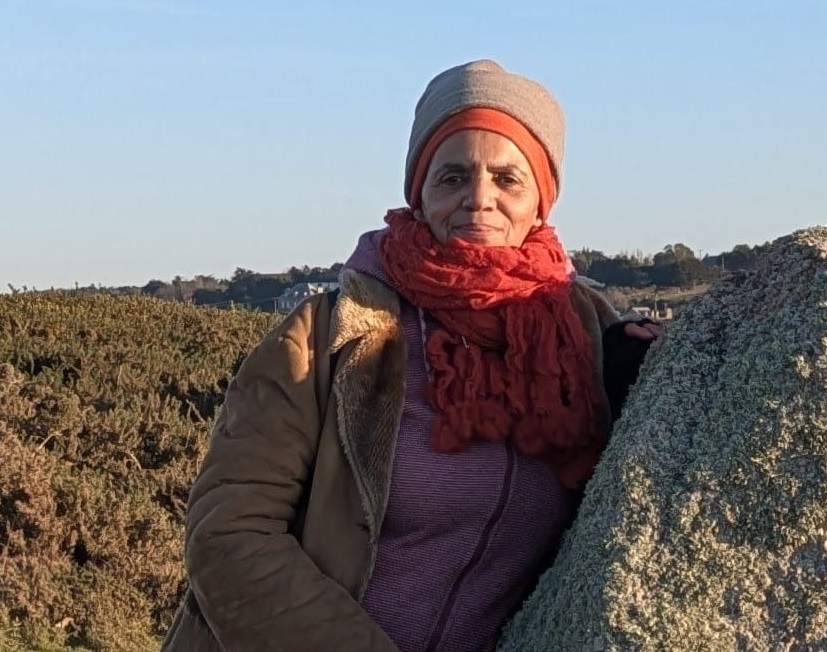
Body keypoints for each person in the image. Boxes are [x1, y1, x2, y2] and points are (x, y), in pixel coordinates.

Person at [161, 59, 660, 652]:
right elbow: (229, 535)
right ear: (419, 193)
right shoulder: (324, 338)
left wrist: (657, 363)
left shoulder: (583, 335)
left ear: (540, 202)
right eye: (452, 176)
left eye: (507, 179)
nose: (479, 200)